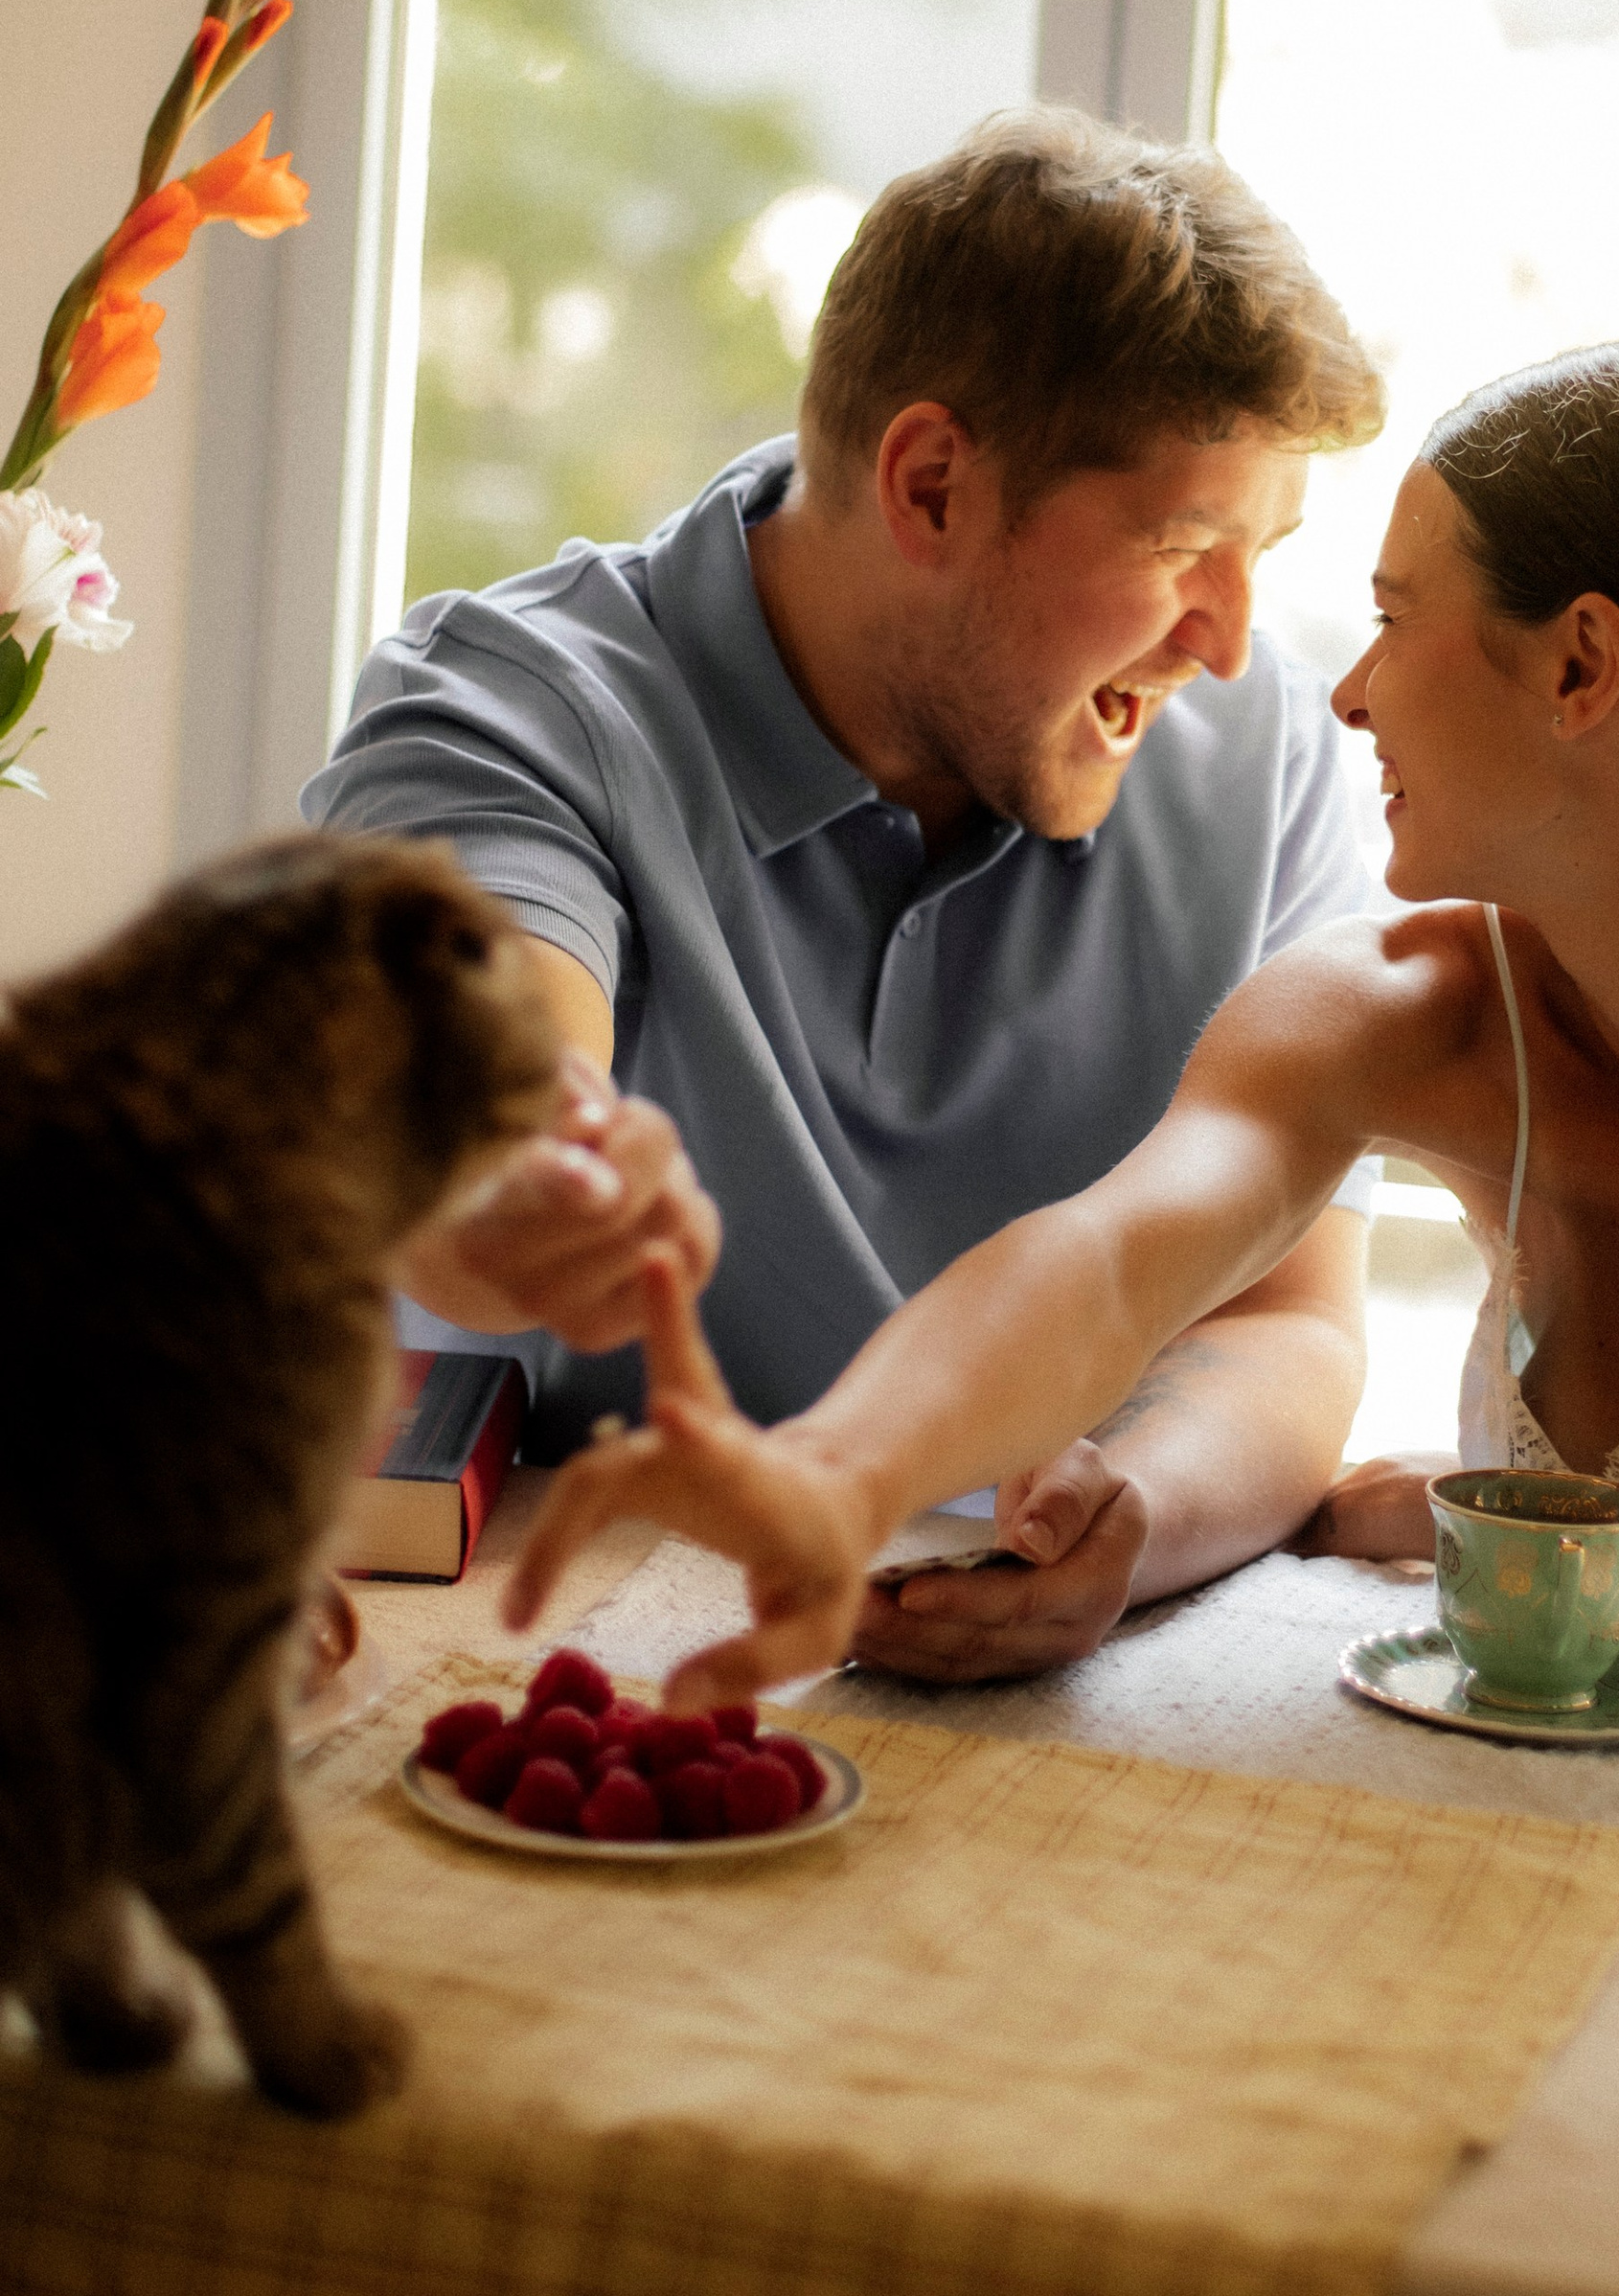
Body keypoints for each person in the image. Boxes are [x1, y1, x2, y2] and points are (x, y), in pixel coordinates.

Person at [506, 333, 1619, 1702]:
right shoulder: (1401, 1007)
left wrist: (1460, 1514)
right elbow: (1110, 1258)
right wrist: (841, 1481)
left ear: (1582, 665)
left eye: (1397, 620)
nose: (1347, 693)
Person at [306, 108, 1389, 1681]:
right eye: (1182, 544)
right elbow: (475, 1109)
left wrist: (1128, 1517)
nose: (1227, 640)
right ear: (934, 483)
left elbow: (1291, 1319)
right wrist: (533, 1175)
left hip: (1020, 1677)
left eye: (1261, 554)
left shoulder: (1263, 752)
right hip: (551, 1649)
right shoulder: (501, 709)